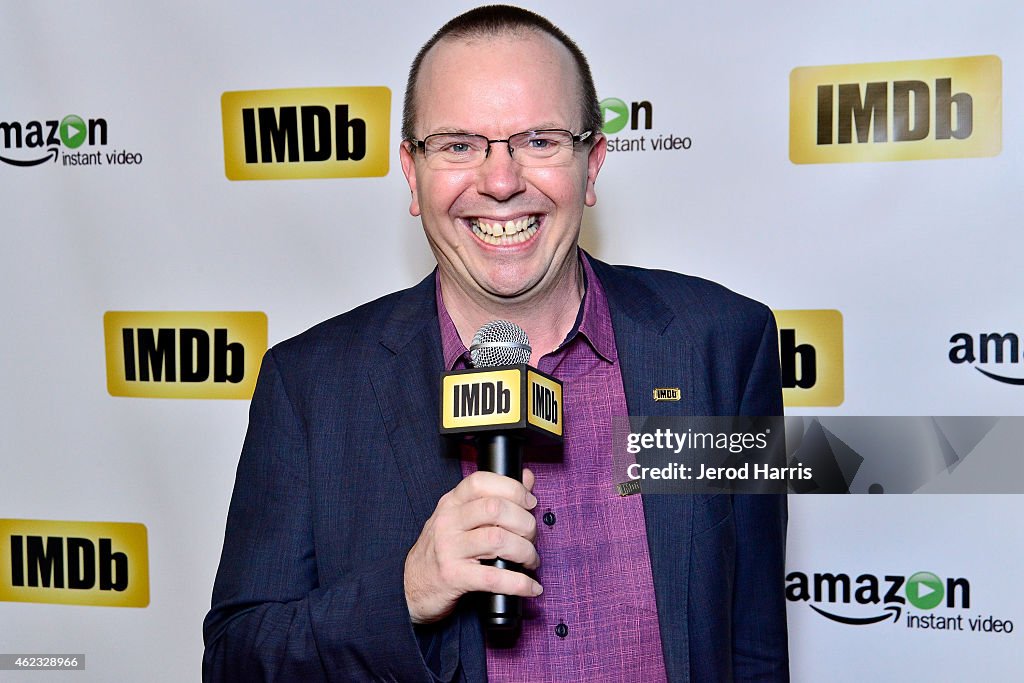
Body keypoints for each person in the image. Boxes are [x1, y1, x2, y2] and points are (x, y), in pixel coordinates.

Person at [203, 5, 788, 681]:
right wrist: (406, 594)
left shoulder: (720, 345)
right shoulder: (309, 389)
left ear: (592, 164)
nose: (502, 181)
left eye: (539, 140)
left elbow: (754, 647)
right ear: (411, 174)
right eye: (458, 145)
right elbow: (235, 660)